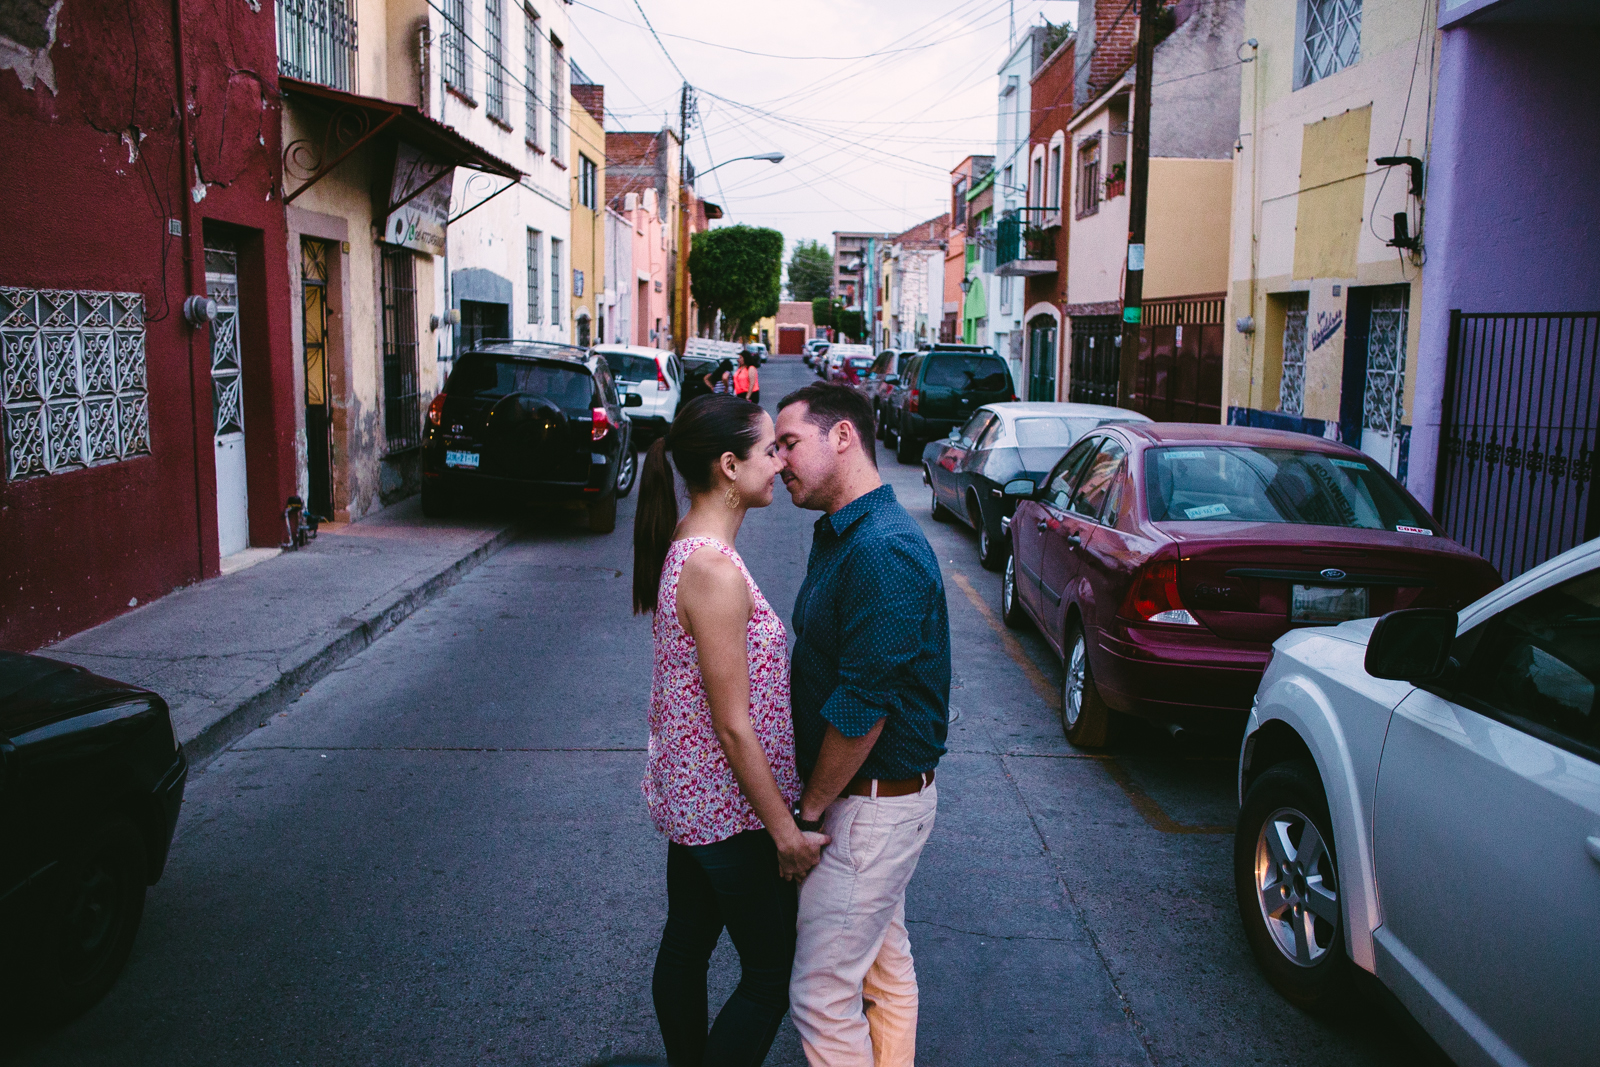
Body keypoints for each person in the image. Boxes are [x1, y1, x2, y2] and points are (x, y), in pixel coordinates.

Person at [633, 394, 831, 1067]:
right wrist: (786, 832)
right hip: (728, 812)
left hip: (698, 807)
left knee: (686, 947)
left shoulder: (694, 545)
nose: (779, 463)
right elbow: (734, 724)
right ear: (727, 465)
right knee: (771, 974)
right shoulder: (714, 570)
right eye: (768, 449)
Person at [772, 382, 951, 1067]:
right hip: (871, 802)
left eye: (789, 443)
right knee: (882, 967)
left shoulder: (882, 549)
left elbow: (862, 706)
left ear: (841, 436)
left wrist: (809, 812)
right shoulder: (846, 532)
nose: (780, 460)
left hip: (868, 807)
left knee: (820, 993)